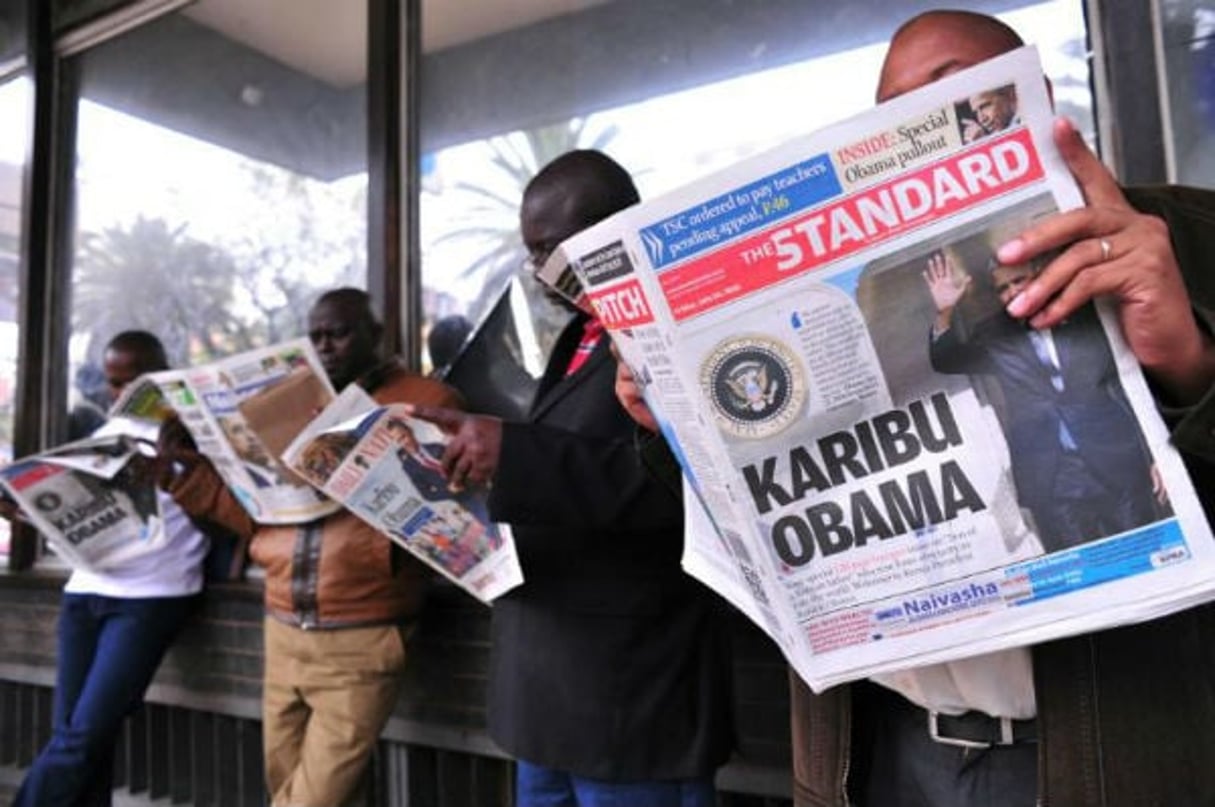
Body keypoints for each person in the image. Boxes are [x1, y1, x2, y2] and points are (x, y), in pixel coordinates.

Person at [783, 10, 1215, 807]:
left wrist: (1188, 367)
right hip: (883, 748)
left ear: (1034, 96)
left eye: (952, 94)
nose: (919, 126)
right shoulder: (900, 287)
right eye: (892, 118)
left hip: (1104, 757)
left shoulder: (1190, 235)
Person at [408, 150, 734, 807]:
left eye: (549, 247)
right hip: (542, 681)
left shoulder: (689, 327)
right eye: (529, 253)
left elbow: (689, 480)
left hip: (632, 688)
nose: (538, 270)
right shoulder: (569, 336)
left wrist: (515, 452)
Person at [160, 288, 464, 807]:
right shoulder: (282, 405)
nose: (326, 346)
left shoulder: (429, 400)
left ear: (376, 334)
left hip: (363, 632)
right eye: (316, 336)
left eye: (339, 333)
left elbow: (449, 514)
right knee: (286, 783)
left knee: (310, 800)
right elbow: (259, 519)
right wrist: (181, 478)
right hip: (282, 627)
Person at [12, 330, 240, 807]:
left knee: (82, 739)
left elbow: (225, 521)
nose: (121, 395)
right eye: (114, 384)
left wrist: (175, 474)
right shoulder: (103, 436)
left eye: (133, 381)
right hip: (85, 590)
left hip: (152, 597)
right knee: (75, 737)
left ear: (161, 374)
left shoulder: (194, 437)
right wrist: (21, 508)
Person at [924, 249, 1165, 551]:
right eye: (1003, 288)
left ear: (1038, 275)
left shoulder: (1086, 315)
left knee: (1145, 553)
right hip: (1054, 481)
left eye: (1019, 281)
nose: (1012, 293)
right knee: (1084, 575)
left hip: (1116, 464)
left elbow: (1127, 385)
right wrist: (944, 312)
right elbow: (946, 361)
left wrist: (1156, 453)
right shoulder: (993, 334)